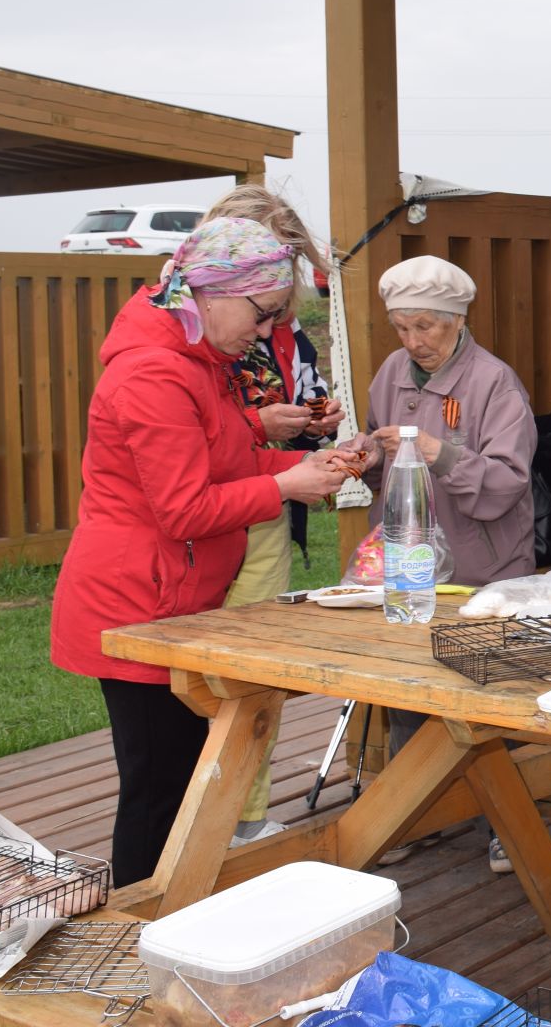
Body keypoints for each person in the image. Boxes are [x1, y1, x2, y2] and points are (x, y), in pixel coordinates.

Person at [50, 219, 349, 887]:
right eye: (264, 313)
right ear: (213, 292)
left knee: (186, 784)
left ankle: (176, 923)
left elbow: (224, 454)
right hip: (135, 606)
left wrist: (309, 465)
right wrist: (284, 485)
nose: (267, 331)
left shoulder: (195, 358)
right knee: (159, 792)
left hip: (169, 601)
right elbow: (183, 507)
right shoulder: (153, 375)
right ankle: (137, 938)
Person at [340, 255, 539, 873]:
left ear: (457, 320)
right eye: (401, 327)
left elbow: (507, 482)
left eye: (426, 326)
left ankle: (504, 826)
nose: (412, 342)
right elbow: (382, 447)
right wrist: (363, 456)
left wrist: (439, 451)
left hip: (484, 564)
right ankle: (411, 813)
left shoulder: (494, 382)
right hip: (411, 559)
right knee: (406, 691)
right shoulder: (393, 371)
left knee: (482, 697)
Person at [198, 186, 345, 849]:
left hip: (262, 510)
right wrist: (263, 425)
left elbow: (295, 410)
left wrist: (311, 423)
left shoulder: (282, 333)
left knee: (250, 669)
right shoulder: (199, 333)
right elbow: (206, 433)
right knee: (218, 673)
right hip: (215, 516)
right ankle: (210, 812)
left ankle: (244, 810)